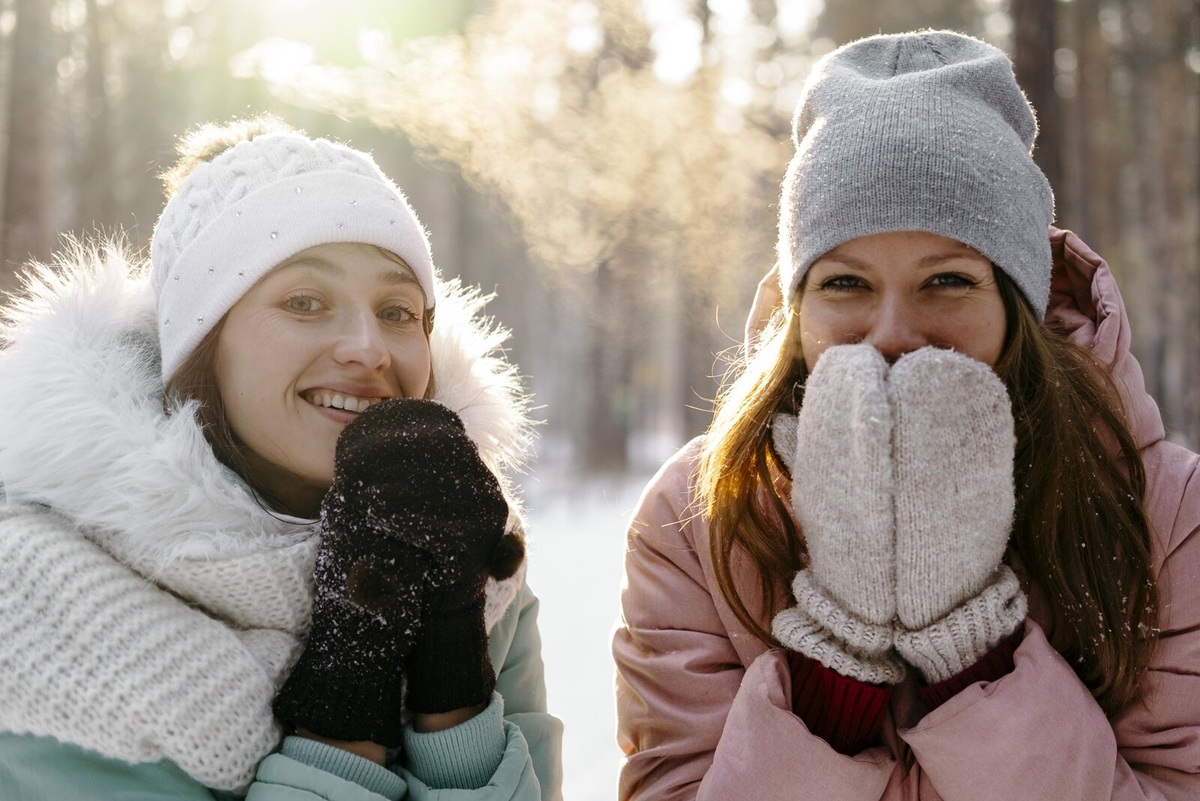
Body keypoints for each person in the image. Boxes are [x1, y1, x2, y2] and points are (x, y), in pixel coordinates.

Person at [614, 30, 1200, 800]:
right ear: (797, 307)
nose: (891, 333)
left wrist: (972, 651)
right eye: (846, 283)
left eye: (947, 280)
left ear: (1017, 304)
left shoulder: (1167, 511)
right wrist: (836, 661)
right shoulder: (696, 515)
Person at [0, 116, 563, 801]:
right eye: (304, 302)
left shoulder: (470, 555)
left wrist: (452, 683)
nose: (368, 349)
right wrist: (345, 707)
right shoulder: (34, 596)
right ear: (201, 343)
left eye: (396, 310)